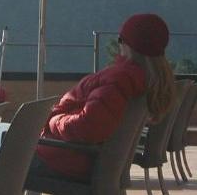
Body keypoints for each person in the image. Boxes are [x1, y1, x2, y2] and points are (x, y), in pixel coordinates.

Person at [32, 13, 177, 179]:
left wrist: (53, 121)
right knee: (9, 145)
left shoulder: (118, 81)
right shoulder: (143, 81)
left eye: (120, 39)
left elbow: (89, 127)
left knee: (7, 156)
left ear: (127, 45)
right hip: (76, 156)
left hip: (65, 159)